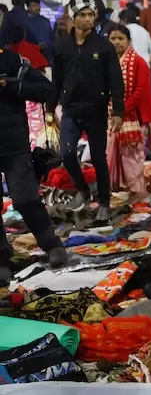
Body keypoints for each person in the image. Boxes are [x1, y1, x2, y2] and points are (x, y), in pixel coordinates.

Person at [49, 0, 125, 221]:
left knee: (99, 159)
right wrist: (50, 108)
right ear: (73, 17)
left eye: (90, 15)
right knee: (67, 154)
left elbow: (115, 81)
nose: (87, 19)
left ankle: (104, 202)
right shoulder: (62, 45)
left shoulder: (104, 46)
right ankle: (83, 190)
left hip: (96, 110)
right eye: (82, 15)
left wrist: (118, 112)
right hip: (71, 109)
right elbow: (56, 80)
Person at [0, 48, 68, 285]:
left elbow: (45, 89)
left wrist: (10, 86)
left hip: (14, 145)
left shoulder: (12, 61)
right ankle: (1, 261)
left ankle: (52, 245)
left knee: (25, 199)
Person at [106, 25, 151, 197]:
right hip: (114, 117)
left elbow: (141, 92)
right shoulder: (108, 62)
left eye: (121, 39)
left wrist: (121, 111)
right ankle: (122, 189)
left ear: (128, 41)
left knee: (132, 155)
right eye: (113, 39)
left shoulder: (138, 62)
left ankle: (137, 191)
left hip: (134, 116)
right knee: (116, 154)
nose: (117, 42)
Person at [21, 0, 54, 66]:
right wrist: (36, 46)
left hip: (48, 54)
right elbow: (23, 41)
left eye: (38, 5)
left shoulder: (45, 20)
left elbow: (51, 36)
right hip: (32, 55)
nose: (37, 8)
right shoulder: (23, 22)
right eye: (34, 6)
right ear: (28, 7)